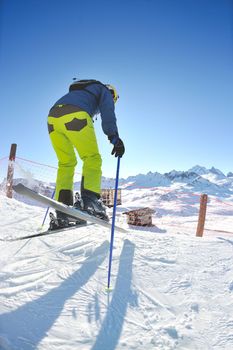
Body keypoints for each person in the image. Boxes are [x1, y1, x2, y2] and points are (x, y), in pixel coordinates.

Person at [47, 79, 125, 229]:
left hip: (52, 118)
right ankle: (91, 202)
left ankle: (63, 209)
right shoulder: (105, 92)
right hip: (75, 114)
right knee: (92, 158)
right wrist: (114, 137)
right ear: (113, 94)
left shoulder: (83, 91)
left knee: (66, 163)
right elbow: (108, 113)